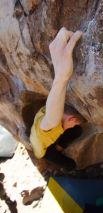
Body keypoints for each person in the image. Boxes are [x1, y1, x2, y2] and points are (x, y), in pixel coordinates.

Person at [30, 27, 85, 162]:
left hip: (35, 135)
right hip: (43, 151)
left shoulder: (46, 112)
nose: (73, 125)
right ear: (71, 119)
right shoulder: (51, 126)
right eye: (73, 123)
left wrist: (61, 75)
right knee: (69, 164)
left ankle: (58, 146)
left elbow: (53, 110)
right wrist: (61, 77)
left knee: (77, 131)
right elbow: (51, 120)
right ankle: (58, 152)